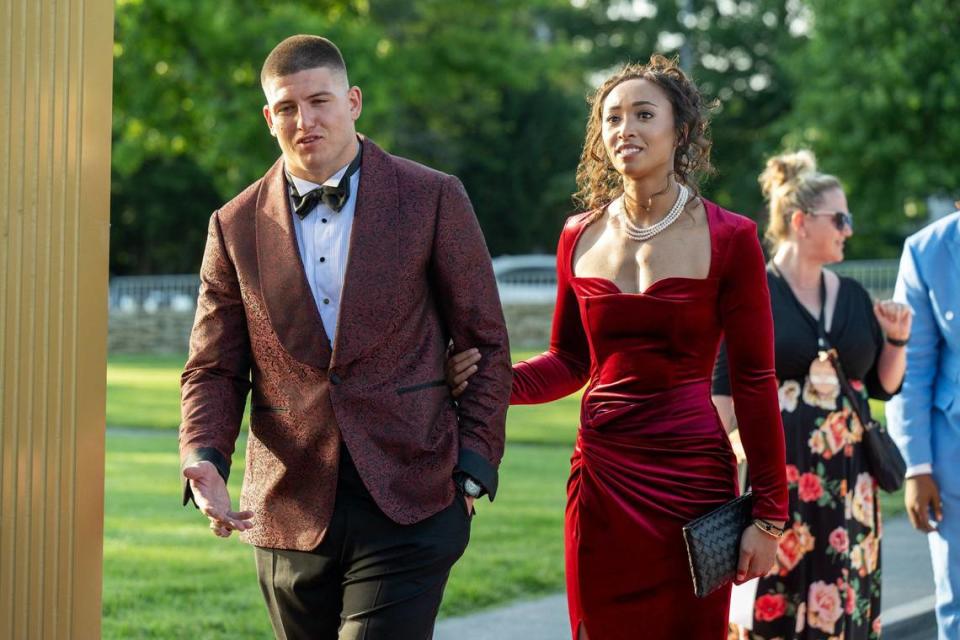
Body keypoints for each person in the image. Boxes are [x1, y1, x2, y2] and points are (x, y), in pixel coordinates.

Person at [178, 35, 512, 640]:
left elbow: (485, 342)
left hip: (413, 492)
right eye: (286, 107)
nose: (305, 120)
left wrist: (472, 469)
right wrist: (203, 456)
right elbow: (214, 368)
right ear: (268, 117)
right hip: (288, 505)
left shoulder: (433, 196)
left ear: (353, 101)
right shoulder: (232, 225)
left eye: (320, 100)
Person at [446, 55, 789, 640]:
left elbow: (755, 380)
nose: (623, 129)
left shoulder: (732, 237)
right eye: (610, 118)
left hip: (692, 481)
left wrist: (770, 514)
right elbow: (570, 361)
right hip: (601, 478)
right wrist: (489, 382)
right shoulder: (578, 234)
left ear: (680, 131)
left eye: (642, 114)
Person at [712, 150, 911, 639]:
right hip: (776, 491)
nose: (848, 229)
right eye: (840, 218)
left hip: (850, 491)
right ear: (801, 222)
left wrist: (898, 339)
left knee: (846, 609)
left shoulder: (852, 297)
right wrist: (741, 476)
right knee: (772, 612)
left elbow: (884, 385)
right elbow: (722, 401)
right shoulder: (753, 293)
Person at [886, 206, 960, 640]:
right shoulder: (927, 251)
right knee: (956, 596)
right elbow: (912, 371)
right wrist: (917, 467)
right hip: (952, 456)